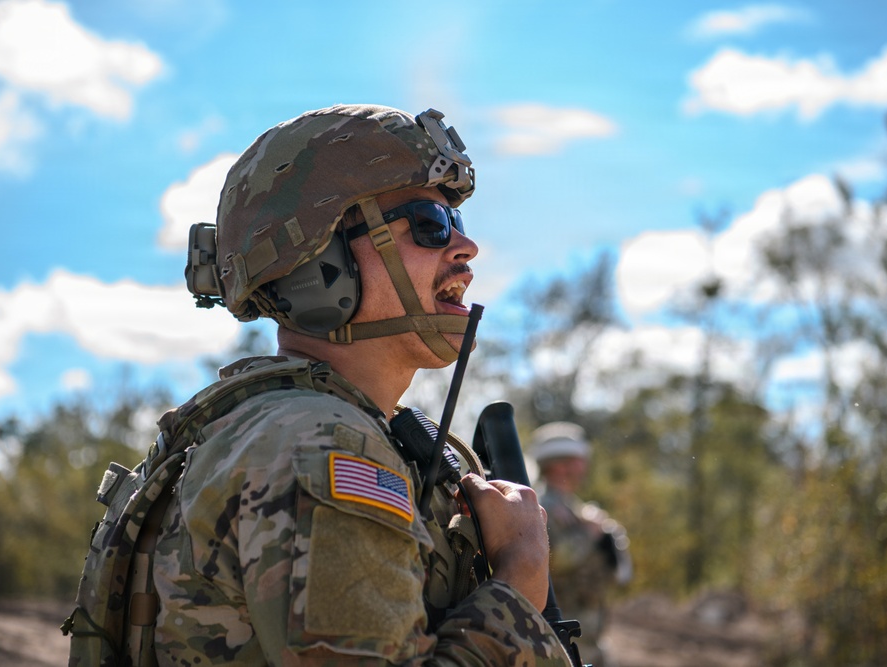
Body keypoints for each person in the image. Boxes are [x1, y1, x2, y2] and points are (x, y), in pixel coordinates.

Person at [150, 105, 572, 665]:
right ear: (319, 262)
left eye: (458, 225)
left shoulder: (300, 430)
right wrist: (521, 573)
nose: (465, 251)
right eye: (429, 224)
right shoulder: (319, 445)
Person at [530, 422, 632, 667]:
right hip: (558, 636)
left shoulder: (572, 506)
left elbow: (621, 572)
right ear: (561, 465)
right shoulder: (540, 507)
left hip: (585, 633)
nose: (584, 466)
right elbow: (556, 560)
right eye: (578, 459)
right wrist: (590, 534)